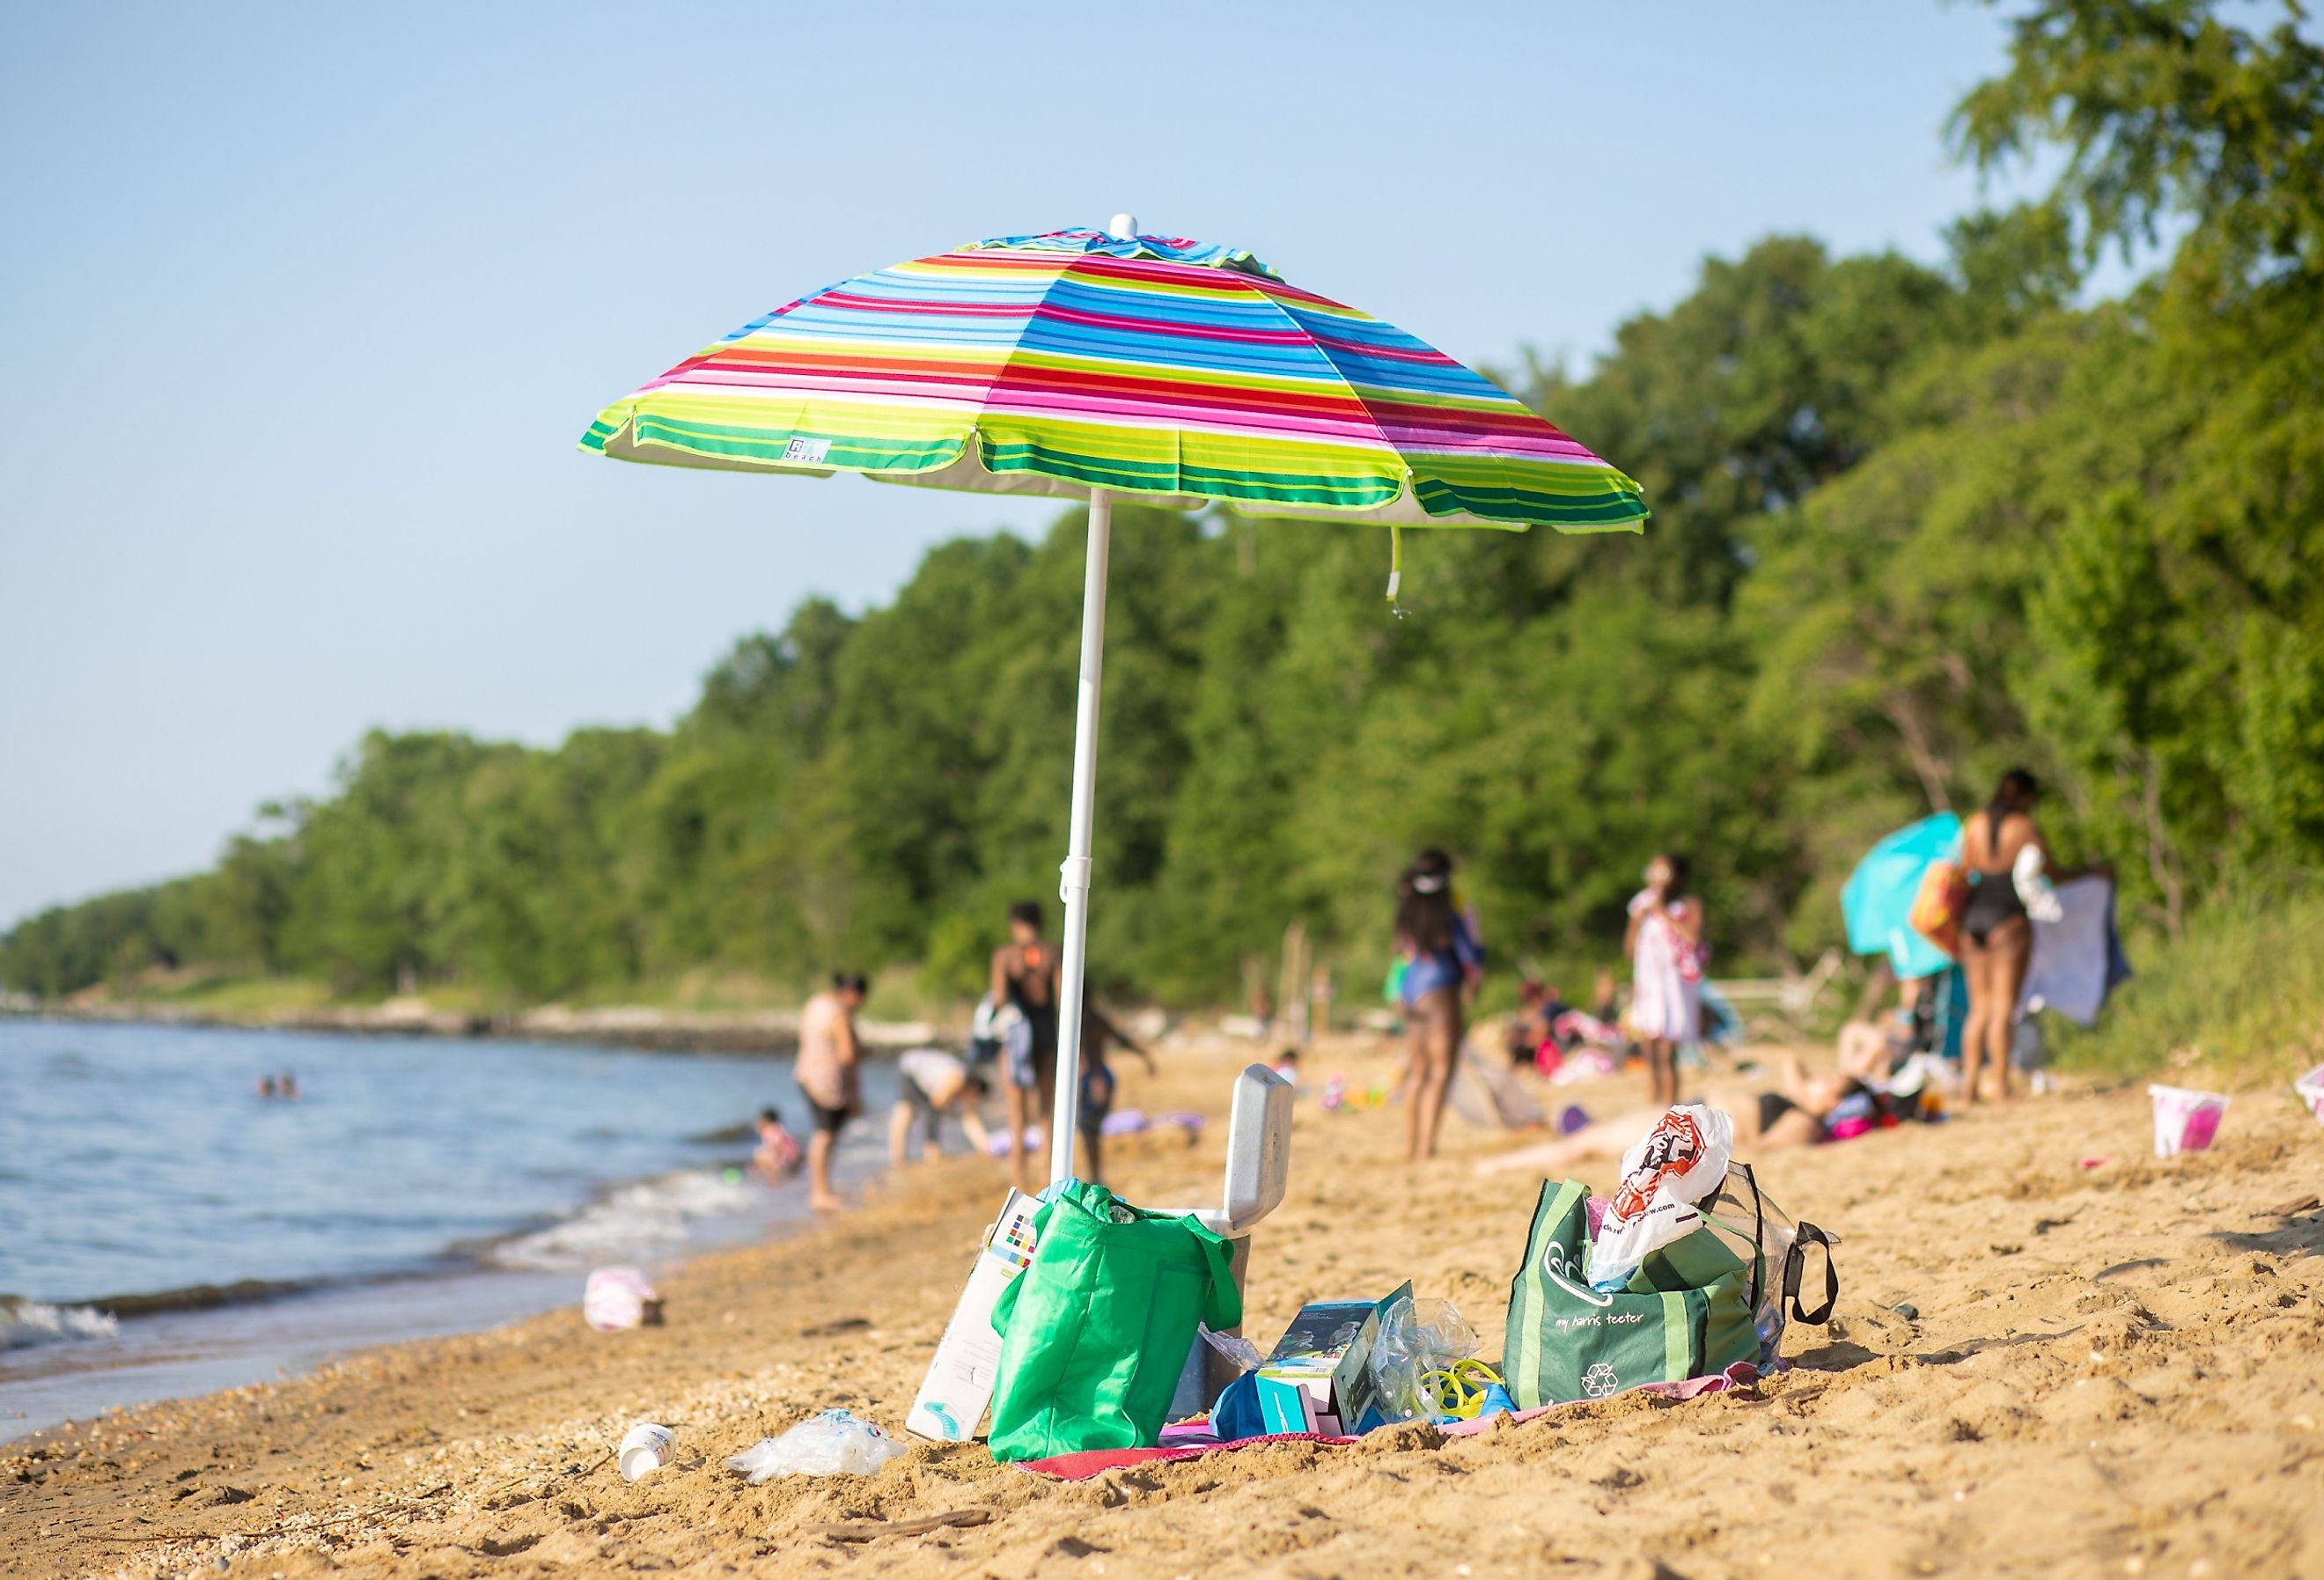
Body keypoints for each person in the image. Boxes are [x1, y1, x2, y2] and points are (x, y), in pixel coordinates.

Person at [1957, 768, 2105, 1105]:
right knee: (2003, 1007)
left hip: (1972, 917)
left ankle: (1968, 1090)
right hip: (2007, 919)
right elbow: (2051, 873)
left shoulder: (1974, 825)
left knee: (1978, 1008)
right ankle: (2001, 1087)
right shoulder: (2024, 828)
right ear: (2026, 796)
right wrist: (2093, 872)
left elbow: (1963, 872)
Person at [1394, 849, 1483, 1164]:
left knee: (1417, 1073)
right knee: (1440, 1072)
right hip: (1442, 992)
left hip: (1411, 991)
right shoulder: (1452, 909)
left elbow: (1401, 953)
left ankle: (1409, 1146)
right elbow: (1469, 951)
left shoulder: (1407, 909)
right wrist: (1474, 980)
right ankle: (1424, 1149)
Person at [1624, 854, 1703, 1109]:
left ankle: (1671, 1104)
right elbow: (1628, 950)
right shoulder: (1640, 906)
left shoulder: (1686, 905)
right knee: (1649, 1047)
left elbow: (1693, 939)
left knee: (1668, 1048)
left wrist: (1662, 913)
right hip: (1649, 986)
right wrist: (1639, 919)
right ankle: (1653, 1102)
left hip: (1673, 987)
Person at [991, 901, 1060, 1193]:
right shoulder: (1052, 954)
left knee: (1016, 1116)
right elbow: (1062, 998)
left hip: (1017, 1039)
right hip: (1045, 1034)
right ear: (1040, 923)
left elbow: (999, 998)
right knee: (1047, 1115)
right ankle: (1050, 1180)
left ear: (1014, 924)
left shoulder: (1005, 956)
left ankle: (1020, 1185)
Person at [795, 971, 868, 1209]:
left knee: (822, 1134)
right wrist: (856, 1093)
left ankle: (820, 1190)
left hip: (805, 1073)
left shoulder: (816, 1003)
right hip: (827, 1081)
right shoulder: (839, 1013)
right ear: (853, 994)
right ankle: (819, 1192)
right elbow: (848, 1055)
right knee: (825, 1135)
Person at [1074, 1002, 1154, 1185]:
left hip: (1093, 1078)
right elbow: (1120, 1039)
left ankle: (1095, 1175)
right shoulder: (1096, 1018)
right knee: (1091, 1131)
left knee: (1089, 1130)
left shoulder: (1082, 1020)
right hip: (1100, 1076)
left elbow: (1088, 1054)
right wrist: (1144, 1056)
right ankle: (1096, 1175)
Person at [888, 1047, 993, 1166]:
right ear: (974, 1089)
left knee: (928, 1109)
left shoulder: (966, 1086)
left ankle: (929, 1151)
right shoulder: (955, 1080)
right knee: (906, 1111)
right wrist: (933, 1149)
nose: (973, 1102)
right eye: (975, 1098)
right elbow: (934, 1107)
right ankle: (899, 1158)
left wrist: (985, 1147)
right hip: (910, 1069)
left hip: (927, 1076)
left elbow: (970, 1118)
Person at [752, 1106, 803, 1183]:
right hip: (793, 1158)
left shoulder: (770, 1130)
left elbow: (778, 1145)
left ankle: (774, 1178)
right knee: (763, 1153)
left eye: (759, 1120)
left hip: (786, 1160)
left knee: (759, 1154)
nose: (757, 1123)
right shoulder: (778, 1128)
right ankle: (776, 1175)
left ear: (766, 1121)